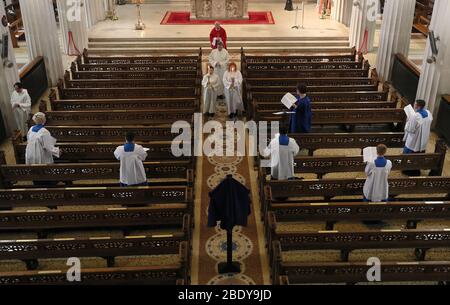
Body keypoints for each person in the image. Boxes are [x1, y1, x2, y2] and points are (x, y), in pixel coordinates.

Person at [402, 100, 433, 176]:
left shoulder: (415, 116)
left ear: (418, 106)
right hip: (423, 139)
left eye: (415, 104)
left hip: (414, 140)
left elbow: (410, 129)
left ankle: (408, 170)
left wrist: (408, 121)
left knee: (409, 154)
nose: (413, 105)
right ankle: (417, 169)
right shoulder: (428, 113)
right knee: (419, 154)